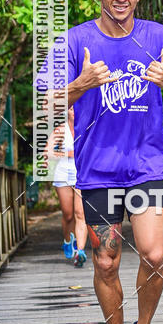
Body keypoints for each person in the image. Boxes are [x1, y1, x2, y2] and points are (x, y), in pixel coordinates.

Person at [42, 0, 163, 324]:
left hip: (145, 165)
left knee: (156, 254)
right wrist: (79, 85)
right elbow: (47, 101)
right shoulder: (73, 42)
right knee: (105, 262)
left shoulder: (159, 36)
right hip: (97, 172)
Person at [46, 108, 88, 266]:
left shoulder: (86, 126)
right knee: (68, 215)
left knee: (81, 213)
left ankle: (80, 251)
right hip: (63, 174)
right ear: (67, 111)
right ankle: (68, 240)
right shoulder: (60, 130)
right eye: (71, 108)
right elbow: (47, 152)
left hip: (81, 174)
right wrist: (67, 154)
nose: (75, 111)